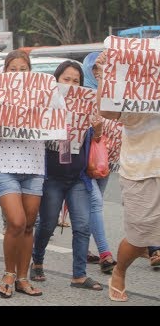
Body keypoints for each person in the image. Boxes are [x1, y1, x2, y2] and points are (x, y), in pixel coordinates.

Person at [31, 60, 104, 291]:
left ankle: (79, 276)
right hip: (52, 176)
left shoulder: (87, 106)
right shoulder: (44, 105)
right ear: (56, 81)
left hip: (78, 178)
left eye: (76, 81)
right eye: (67, 80)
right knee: (48, 224)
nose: (71, 85)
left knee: (82, 226)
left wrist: (98, 127)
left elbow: (96, 138)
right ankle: (38, 260)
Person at [95, 51, 160, 302]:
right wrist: (103, 76)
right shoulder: (132, 91)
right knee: (139, 238)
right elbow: (107, 111)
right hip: (140, 171)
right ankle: (119, 272)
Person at [0, 50, 44, 297]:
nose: (18, 74)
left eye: (23, 69)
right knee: (16, 221)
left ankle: (22, 278)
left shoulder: (43, 92)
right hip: (3, 163)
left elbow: (60, 117)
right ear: (4, 71)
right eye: (13, 69)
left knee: (29, 225)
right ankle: (8, 273)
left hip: (34, 163)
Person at [81, 51, 117, 273]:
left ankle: (82, 246)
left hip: (105, 159)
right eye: (94, 68)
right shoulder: (79, 94)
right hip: (82, 159)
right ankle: (105, 253)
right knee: (94, 202)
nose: (97, 72)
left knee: (91, 204)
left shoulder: (115, 93)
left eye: (101, 68)